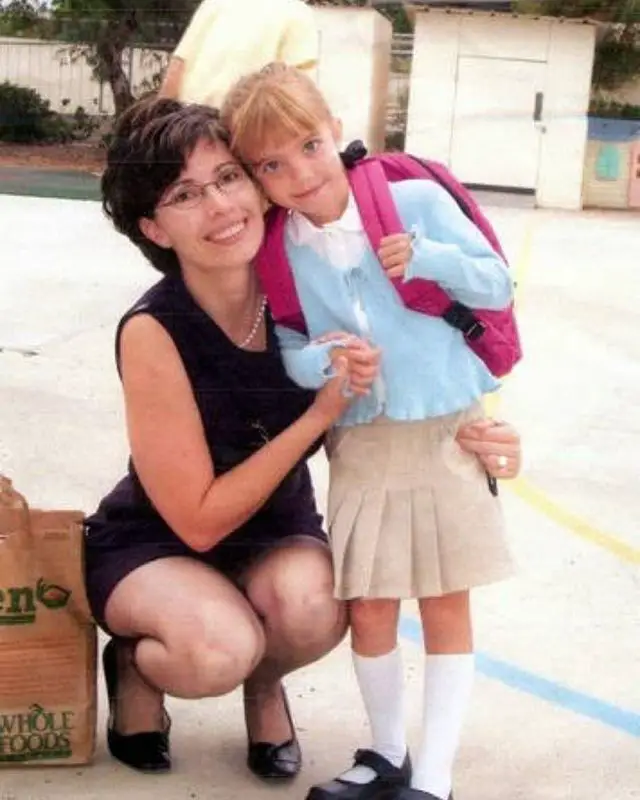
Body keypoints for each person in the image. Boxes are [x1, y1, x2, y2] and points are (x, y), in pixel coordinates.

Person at [221, 63, 520, 800]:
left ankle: (437, 777)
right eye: (272, 165)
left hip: (445, 434)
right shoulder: (280, 249)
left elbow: (497, 282)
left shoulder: (409, 200)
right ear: (257, 176)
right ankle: (388, 753)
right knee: (371, 605)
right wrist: (327, 362)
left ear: (335, 130)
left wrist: (428, 257)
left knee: (447, 600)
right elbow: (291, 350)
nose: (299, 174)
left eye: (308, 147)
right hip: (358, 444)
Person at [83, 95, 376, 778]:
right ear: (154, 228)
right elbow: (199, 520)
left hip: (273, 530)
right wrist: (315, 415)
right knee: (215, 649)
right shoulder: (153, 329)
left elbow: (410, 360)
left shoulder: (306, 289)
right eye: (185, 194)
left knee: (317, 609)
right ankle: (135, 661)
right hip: (158, 541)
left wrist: (474, 427)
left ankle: (265, 683)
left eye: (228, 178)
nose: (219, 207)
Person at [159, 0, 319, 109]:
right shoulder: (298, 13)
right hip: (238, 136)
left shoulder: (214, 3)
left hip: (184, 125)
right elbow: (297, 95)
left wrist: (157, 124)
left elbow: (178, 65)